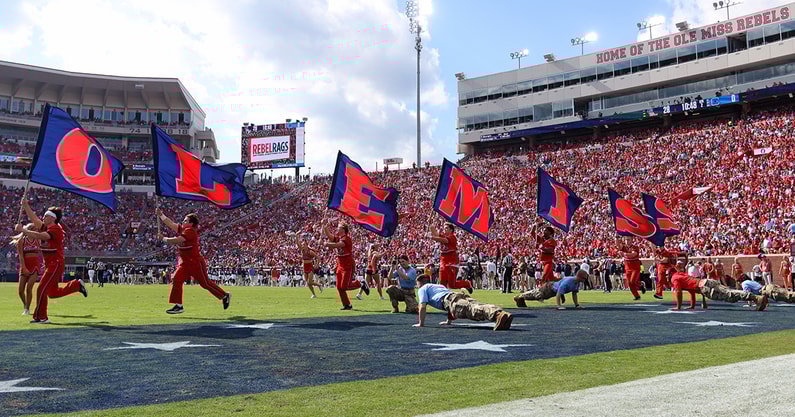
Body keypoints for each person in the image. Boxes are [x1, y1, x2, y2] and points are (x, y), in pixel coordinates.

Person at [16, 200, 87, 324]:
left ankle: (41, 317)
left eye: (46, 216)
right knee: (52, 293)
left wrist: (24, 231)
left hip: (56, 263)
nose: (43, 217)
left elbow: (42, 236)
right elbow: (35, 220)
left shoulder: (56, 229)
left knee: (41, 289)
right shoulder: (48, 226)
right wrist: (26, 205)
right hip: (51, 264)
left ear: (52, 218)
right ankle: (76, 285)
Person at [157, 208, 230, 314]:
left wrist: (164, 239)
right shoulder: (183, 229)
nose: (183, 222)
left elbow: (178, 240)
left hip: (195, 263)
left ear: (191, 224)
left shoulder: (190, 232)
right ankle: (178, 305)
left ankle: (224, 295)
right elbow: (171, 224)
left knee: (205, 284)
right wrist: (161, 215)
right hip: (185, 263)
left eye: (186, 221)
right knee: (177, 279)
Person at [414, 274, 513, 330]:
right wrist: (449, 321)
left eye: (417, 284)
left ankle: (498, 315)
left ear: (420, 282)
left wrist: (421, 323)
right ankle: (503, 316)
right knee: (477, 305)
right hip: (456, 295)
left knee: (473, 310)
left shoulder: (422, 289)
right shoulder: (437, 286)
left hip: (450, 300)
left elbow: (422, 306)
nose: (417, 286)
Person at [670, 260, 767, 311]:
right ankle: (757, 298)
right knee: (728, 291)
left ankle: (756, 298)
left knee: (730, 296)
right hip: (707, 281)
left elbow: (678, 292)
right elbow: (691, 290)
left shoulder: (674, 278)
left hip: (704, 287)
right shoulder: (681, 274)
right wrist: (692, 305)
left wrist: (678, 307)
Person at [324, 219, 368, 310]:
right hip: (340, 264)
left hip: (347, 264)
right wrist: (324, 226)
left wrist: (327, 244)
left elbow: (338, 245)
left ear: (343, 230)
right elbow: (330, 236)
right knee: (339, 287)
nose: (337, 229)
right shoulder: (339, 237)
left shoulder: (346, 238)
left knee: (345, 286)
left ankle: (360, 283)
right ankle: (347, 305)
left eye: (339, 227)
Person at [428, 222, 472, 293]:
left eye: (446, 228)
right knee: (442, 284)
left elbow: (445, 241)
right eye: (444, 228)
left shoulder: (452, 237)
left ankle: (467, 283)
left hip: (451, 262)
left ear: (451, 230)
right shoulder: (443, 236)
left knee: (452, 285)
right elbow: (436, 234)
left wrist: (432, 237)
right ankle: (443, 299)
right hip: (443, 262)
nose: (444, 229)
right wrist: (431, 226)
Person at [513, 269, 588, 310]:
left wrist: (577, 305)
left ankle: (521, 297)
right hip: (549, 288)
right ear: (579, 277)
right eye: (584, 278)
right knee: (537, 295)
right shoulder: (569, 282)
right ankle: (520, 297)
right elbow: (559, 293)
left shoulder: (577, 283)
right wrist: (559, 306)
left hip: (553, 290)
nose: (585, 280)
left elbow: (574, 293)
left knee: (537, 295)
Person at [11, 223, 42, 316]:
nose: (35, 231)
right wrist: (23, 267)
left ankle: (27, 308)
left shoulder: (38, 239)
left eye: (36, 229)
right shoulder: (21, 241)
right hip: (25, 265)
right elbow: (21, 256)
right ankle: (25, 304)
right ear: (28, 230)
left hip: (35, 265)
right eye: (33, 229)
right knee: (20, 291)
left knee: (29, 288)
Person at [294, 232, 322, 299]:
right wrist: (296, 236)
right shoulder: (302, 251)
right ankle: (315, 291)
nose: (303, 246)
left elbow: (318, 257)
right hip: (304, 267)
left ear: (307, 245)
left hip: (310, 266)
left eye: (304, 245)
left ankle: (318, 286)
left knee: (309, 282)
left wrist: (317, 264)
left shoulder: (310, 252)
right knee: (308, 283)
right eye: (302, 245)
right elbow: (298, 244)